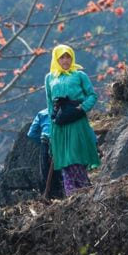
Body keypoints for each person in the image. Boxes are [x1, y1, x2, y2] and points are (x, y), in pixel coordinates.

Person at [45, 44, 101, 196]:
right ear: (56, 59)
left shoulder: (79, 75)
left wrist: (82, 108)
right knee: (65, 162)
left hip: (76, 122)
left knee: (75, 157)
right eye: (61, 57)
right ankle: (74, 197)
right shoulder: (50, 78)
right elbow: (50, 104)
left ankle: (85, 190)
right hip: (60, 126)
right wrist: (52, 126)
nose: (65, 60)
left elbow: (92, 95)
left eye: (68, 56)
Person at [27, 108, 63, 198]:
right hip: (61, 142)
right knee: (61, 168)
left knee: (45, 170)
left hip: (45, 142)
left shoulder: (42, 113)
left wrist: (41, 142)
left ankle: (50, 194)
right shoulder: (65, 110)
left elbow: (31, 134)